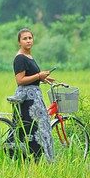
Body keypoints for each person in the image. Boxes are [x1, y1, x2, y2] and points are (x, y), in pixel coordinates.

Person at [11, 27, 55, 161]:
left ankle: (38, 159)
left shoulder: (29, 56)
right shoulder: (20, 58)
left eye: (30, 38)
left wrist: (43, 78)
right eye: (25, 38)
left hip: (34, 97)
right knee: (32, 129)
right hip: (27, 100)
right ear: (19, 42)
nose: (28, 41)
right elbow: (20, 80)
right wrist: (38, 75)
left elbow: (32, 76)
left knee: (38, 127)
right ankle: (35, 158)